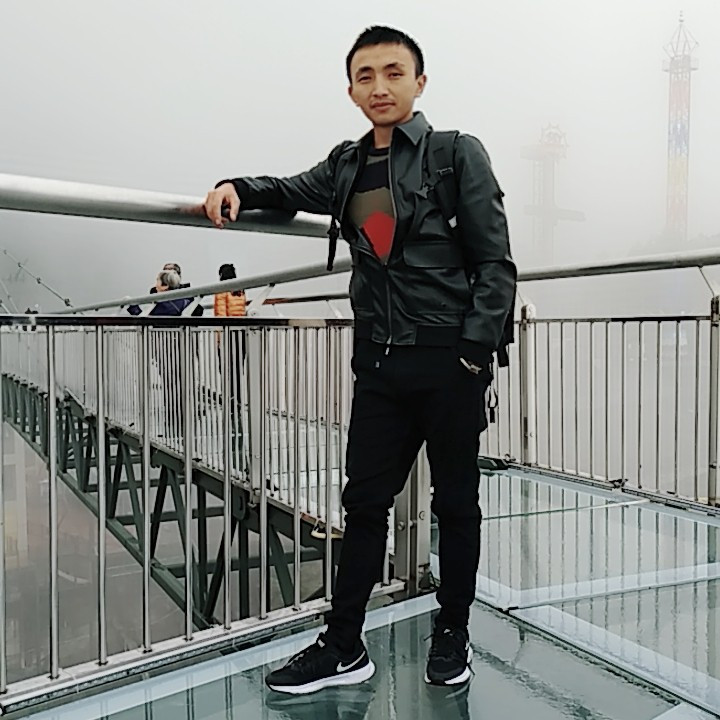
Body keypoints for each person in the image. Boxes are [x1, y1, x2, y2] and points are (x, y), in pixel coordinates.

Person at [203, 26, 516, 694]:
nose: (379, 87)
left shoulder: (455, 154)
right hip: (377, 365)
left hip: (448, 362)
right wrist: (237, 186)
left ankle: (452, 631)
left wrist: (471, 353)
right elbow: (286, 188)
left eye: (393, 73)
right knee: (364, 503)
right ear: (350, 90)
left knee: (455, 503)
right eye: (365, 76)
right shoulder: (345, 165)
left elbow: (495, 264)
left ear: (419, 82)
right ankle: (343, 645)